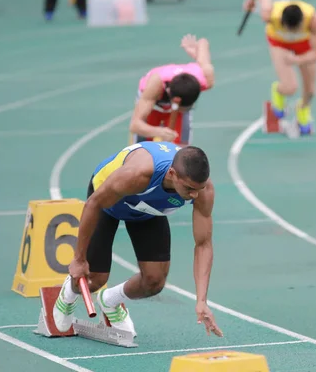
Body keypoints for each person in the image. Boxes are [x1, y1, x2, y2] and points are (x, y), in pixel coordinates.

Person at [52, 141, 223, 338]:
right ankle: (68, 293)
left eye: (199, 188)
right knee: (94, 280)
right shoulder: (137, 174)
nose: (194, 195)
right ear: (172, 174)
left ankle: (110, 301)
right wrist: (79, 259)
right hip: (107, 204)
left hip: (147, 211)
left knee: (154, 282)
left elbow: (203, 244)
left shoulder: (203, 191)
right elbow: (94, 204)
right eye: (190, 188)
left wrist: (201, 300)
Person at [243, 0, 316, 135]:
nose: (292, 33)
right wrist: (250, 1)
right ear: (281, 22)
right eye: (289, 29)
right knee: (290, 87)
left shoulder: (314, 20)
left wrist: (297, 59)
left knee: (311, 91)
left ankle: (302, 108)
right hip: (279, 44)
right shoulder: (269, 14)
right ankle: (278, 91)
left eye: (295, 29)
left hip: (303, 46)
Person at [129, 34, 215, 146]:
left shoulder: (205, 79)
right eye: (184, 108)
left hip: (176, 96)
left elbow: (203, 42)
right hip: (154, 103)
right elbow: (135, 125)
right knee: (141, 149)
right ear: (175, 100)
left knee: (182, 148)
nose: (185, 111)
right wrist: (158, 132)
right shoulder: (155, 84)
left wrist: (195, 52)